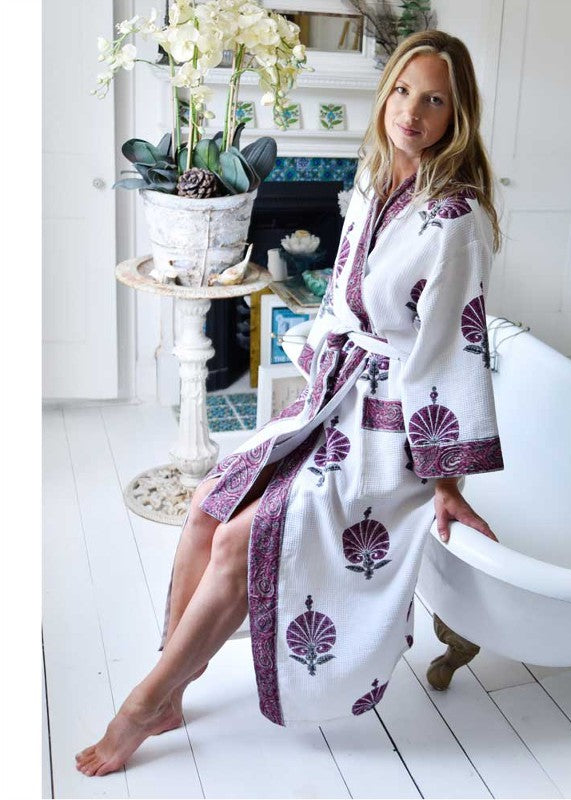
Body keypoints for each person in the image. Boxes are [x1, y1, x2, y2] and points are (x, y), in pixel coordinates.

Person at [76, 29, 505, 777]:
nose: (412, 112)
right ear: (386, 97)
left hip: (391, 435)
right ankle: (174, 688)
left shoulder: (456, 220)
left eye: (435, 100)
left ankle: (142, 705)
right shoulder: (373, 179)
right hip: (333, 397)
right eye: (403, 91)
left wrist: (446, 481)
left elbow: (451, 352)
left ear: (457, 114)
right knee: (208, 503)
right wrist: (311, 385)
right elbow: (341, 297)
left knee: (242, 539)